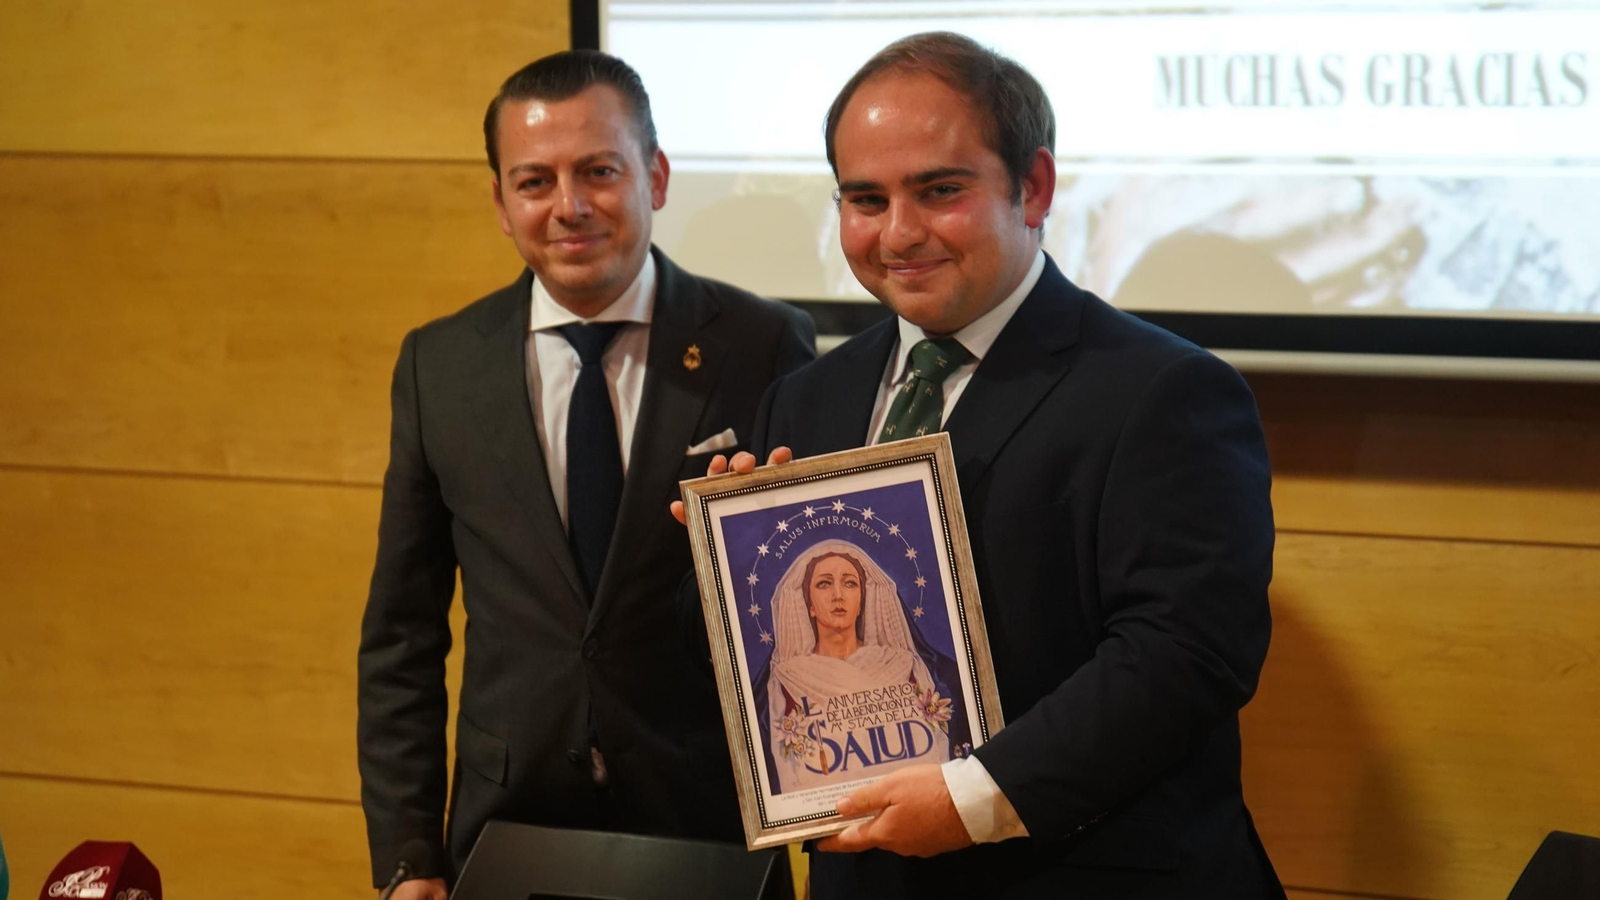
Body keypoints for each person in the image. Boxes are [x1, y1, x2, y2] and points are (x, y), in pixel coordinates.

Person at [680, 31, 1283, 898]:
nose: (898, 231)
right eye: (864, 198)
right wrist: (729, 569)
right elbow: (767, 670)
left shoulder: (1167, 390)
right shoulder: (804, 401)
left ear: (1032, 187)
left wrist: (974, 797)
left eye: (939, 190)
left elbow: (1186, 652)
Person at [357, 50, 815, 897]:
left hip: (705, 820)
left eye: (599, 171)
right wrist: (408, 856)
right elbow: (402, 636)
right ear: (501, 202)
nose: (569, 207)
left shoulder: (766, 345)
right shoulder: (439, 364)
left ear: (657, 176)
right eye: (534, 181)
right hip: (506, 823)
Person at [764, 541, 948, 792]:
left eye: (850, 583)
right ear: (809, 604)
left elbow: (935, 754)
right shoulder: (789, 679)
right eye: (824, 584)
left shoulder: (902, 666)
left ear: (862, 600)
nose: (838, 595)